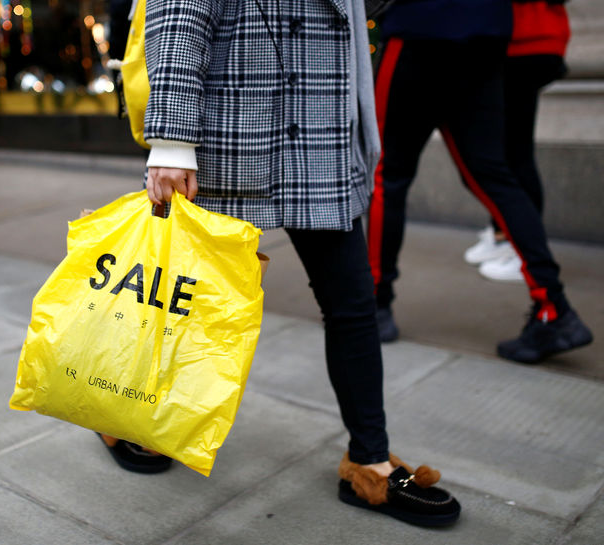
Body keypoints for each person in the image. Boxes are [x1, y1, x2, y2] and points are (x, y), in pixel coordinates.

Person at [99, 0, 462, 528]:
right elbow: (180, 10)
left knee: (353, 303)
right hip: (230, 126)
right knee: (179, 299)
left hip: (322, 130)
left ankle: (369, 461)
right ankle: (126, 413)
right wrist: (172, 139)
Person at [367, 0, 593, 362]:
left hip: (420, 27)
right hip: (485, 31)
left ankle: (374, 307)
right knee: (494, 176)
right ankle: (555, 306)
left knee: (387, 175)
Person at [465, 0, 571, 282]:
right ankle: (503, 235)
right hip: (528, 39)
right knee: (505, 150)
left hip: (522, 42)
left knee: (513, 152)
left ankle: (522, 250)